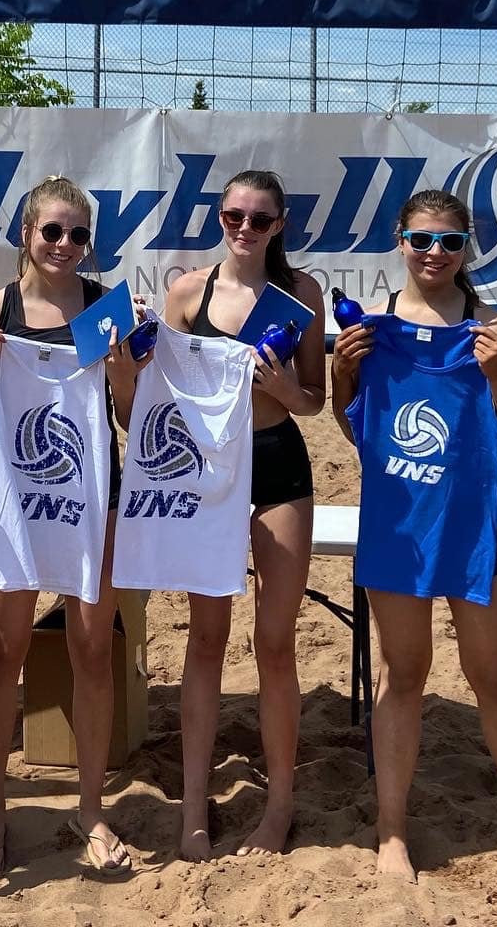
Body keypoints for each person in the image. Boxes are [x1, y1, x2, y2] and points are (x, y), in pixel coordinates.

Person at [330, 188, 497, 883]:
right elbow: (358, 434)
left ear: (467, 250)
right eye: (423, 239)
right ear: (399, 243)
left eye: (450, 242)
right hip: (399, 529)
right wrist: (342, 372)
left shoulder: (494, 332)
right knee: (404, 676)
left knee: (493, 678)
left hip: (475, 526)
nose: (436, 253)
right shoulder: (372, 333)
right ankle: (392, 833)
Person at [0, 175, 142, 879]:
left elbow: (126, 418)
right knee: (4, 653)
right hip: (14, 502)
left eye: (78, 235)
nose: (65, 245)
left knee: (94, 652)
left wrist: (123, 371)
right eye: (52, 232)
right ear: (26, 235)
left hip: (94, 500)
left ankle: (91, 809)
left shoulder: (105, 309)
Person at [160, 169, 327, 858]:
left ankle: (280, 803)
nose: (245, 228)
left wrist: (288, 388)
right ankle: (195, 809)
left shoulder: (301, 293)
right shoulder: (188, 290)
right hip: (209, 470)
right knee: (205, 641)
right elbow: (153, 400)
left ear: (279, 225)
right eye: (234, 215)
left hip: (278, 461)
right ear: (220, 217)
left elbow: (316, 399)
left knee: (276, 643)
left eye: (259, 219)